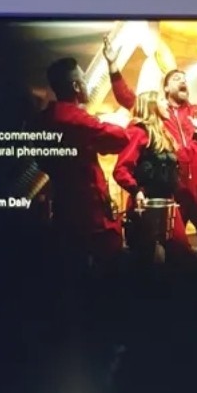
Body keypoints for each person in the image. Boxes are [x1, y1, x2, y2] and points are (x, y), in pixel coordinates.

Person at [35, 39, 132, 267]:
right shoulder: (76, 119)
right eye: (84, 81)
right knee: (105, 267)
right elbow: (119, 138)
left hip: (63, 205)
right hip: (89, 212)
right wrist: (111, 121)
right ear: (77, 87)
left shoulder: (44, 118)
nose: (87, 86)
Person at [113, 90, 194, 262]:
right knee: (149, 259)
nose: (167, 104)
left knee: (180, 254)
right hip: (147, 204)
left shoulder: (164, 135)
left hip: (167, 203)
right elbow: (121, 169)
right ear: (152, 106)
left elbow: (182, 159)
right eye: (162, 100)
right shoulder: (138, 133)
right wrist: (136, 190)